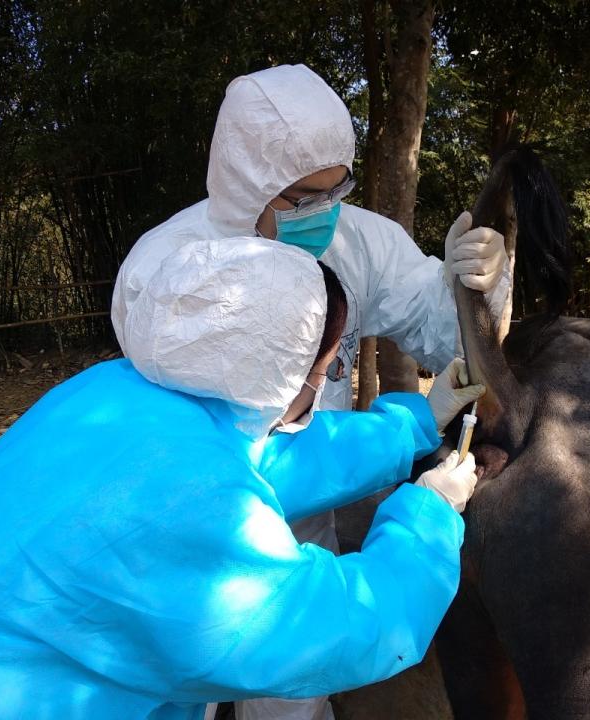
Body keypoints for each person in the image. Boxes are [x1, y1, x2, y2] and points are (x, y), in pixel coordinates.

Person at [0, 239, 482, 720]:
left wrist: (415, 423)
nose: (319, 390)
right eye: (320, 373)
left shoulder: (116, 390)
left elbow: (270, 455)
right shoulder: (192, 510)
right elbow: (334, 626)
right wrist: (426, 518)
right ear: (279, 373)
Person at [111, 64, 508, 720]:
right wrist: (429, 517)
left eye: (336, 188)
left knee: (286, 700)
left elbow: (292, 458)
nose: (324, 213)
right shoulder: (168, 279)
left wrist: (473, 294)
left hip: (282, 524)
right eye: (301, 197)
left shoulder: (356, 245)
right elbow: (368, 625)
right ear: (247, 189)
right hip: (202, 552)